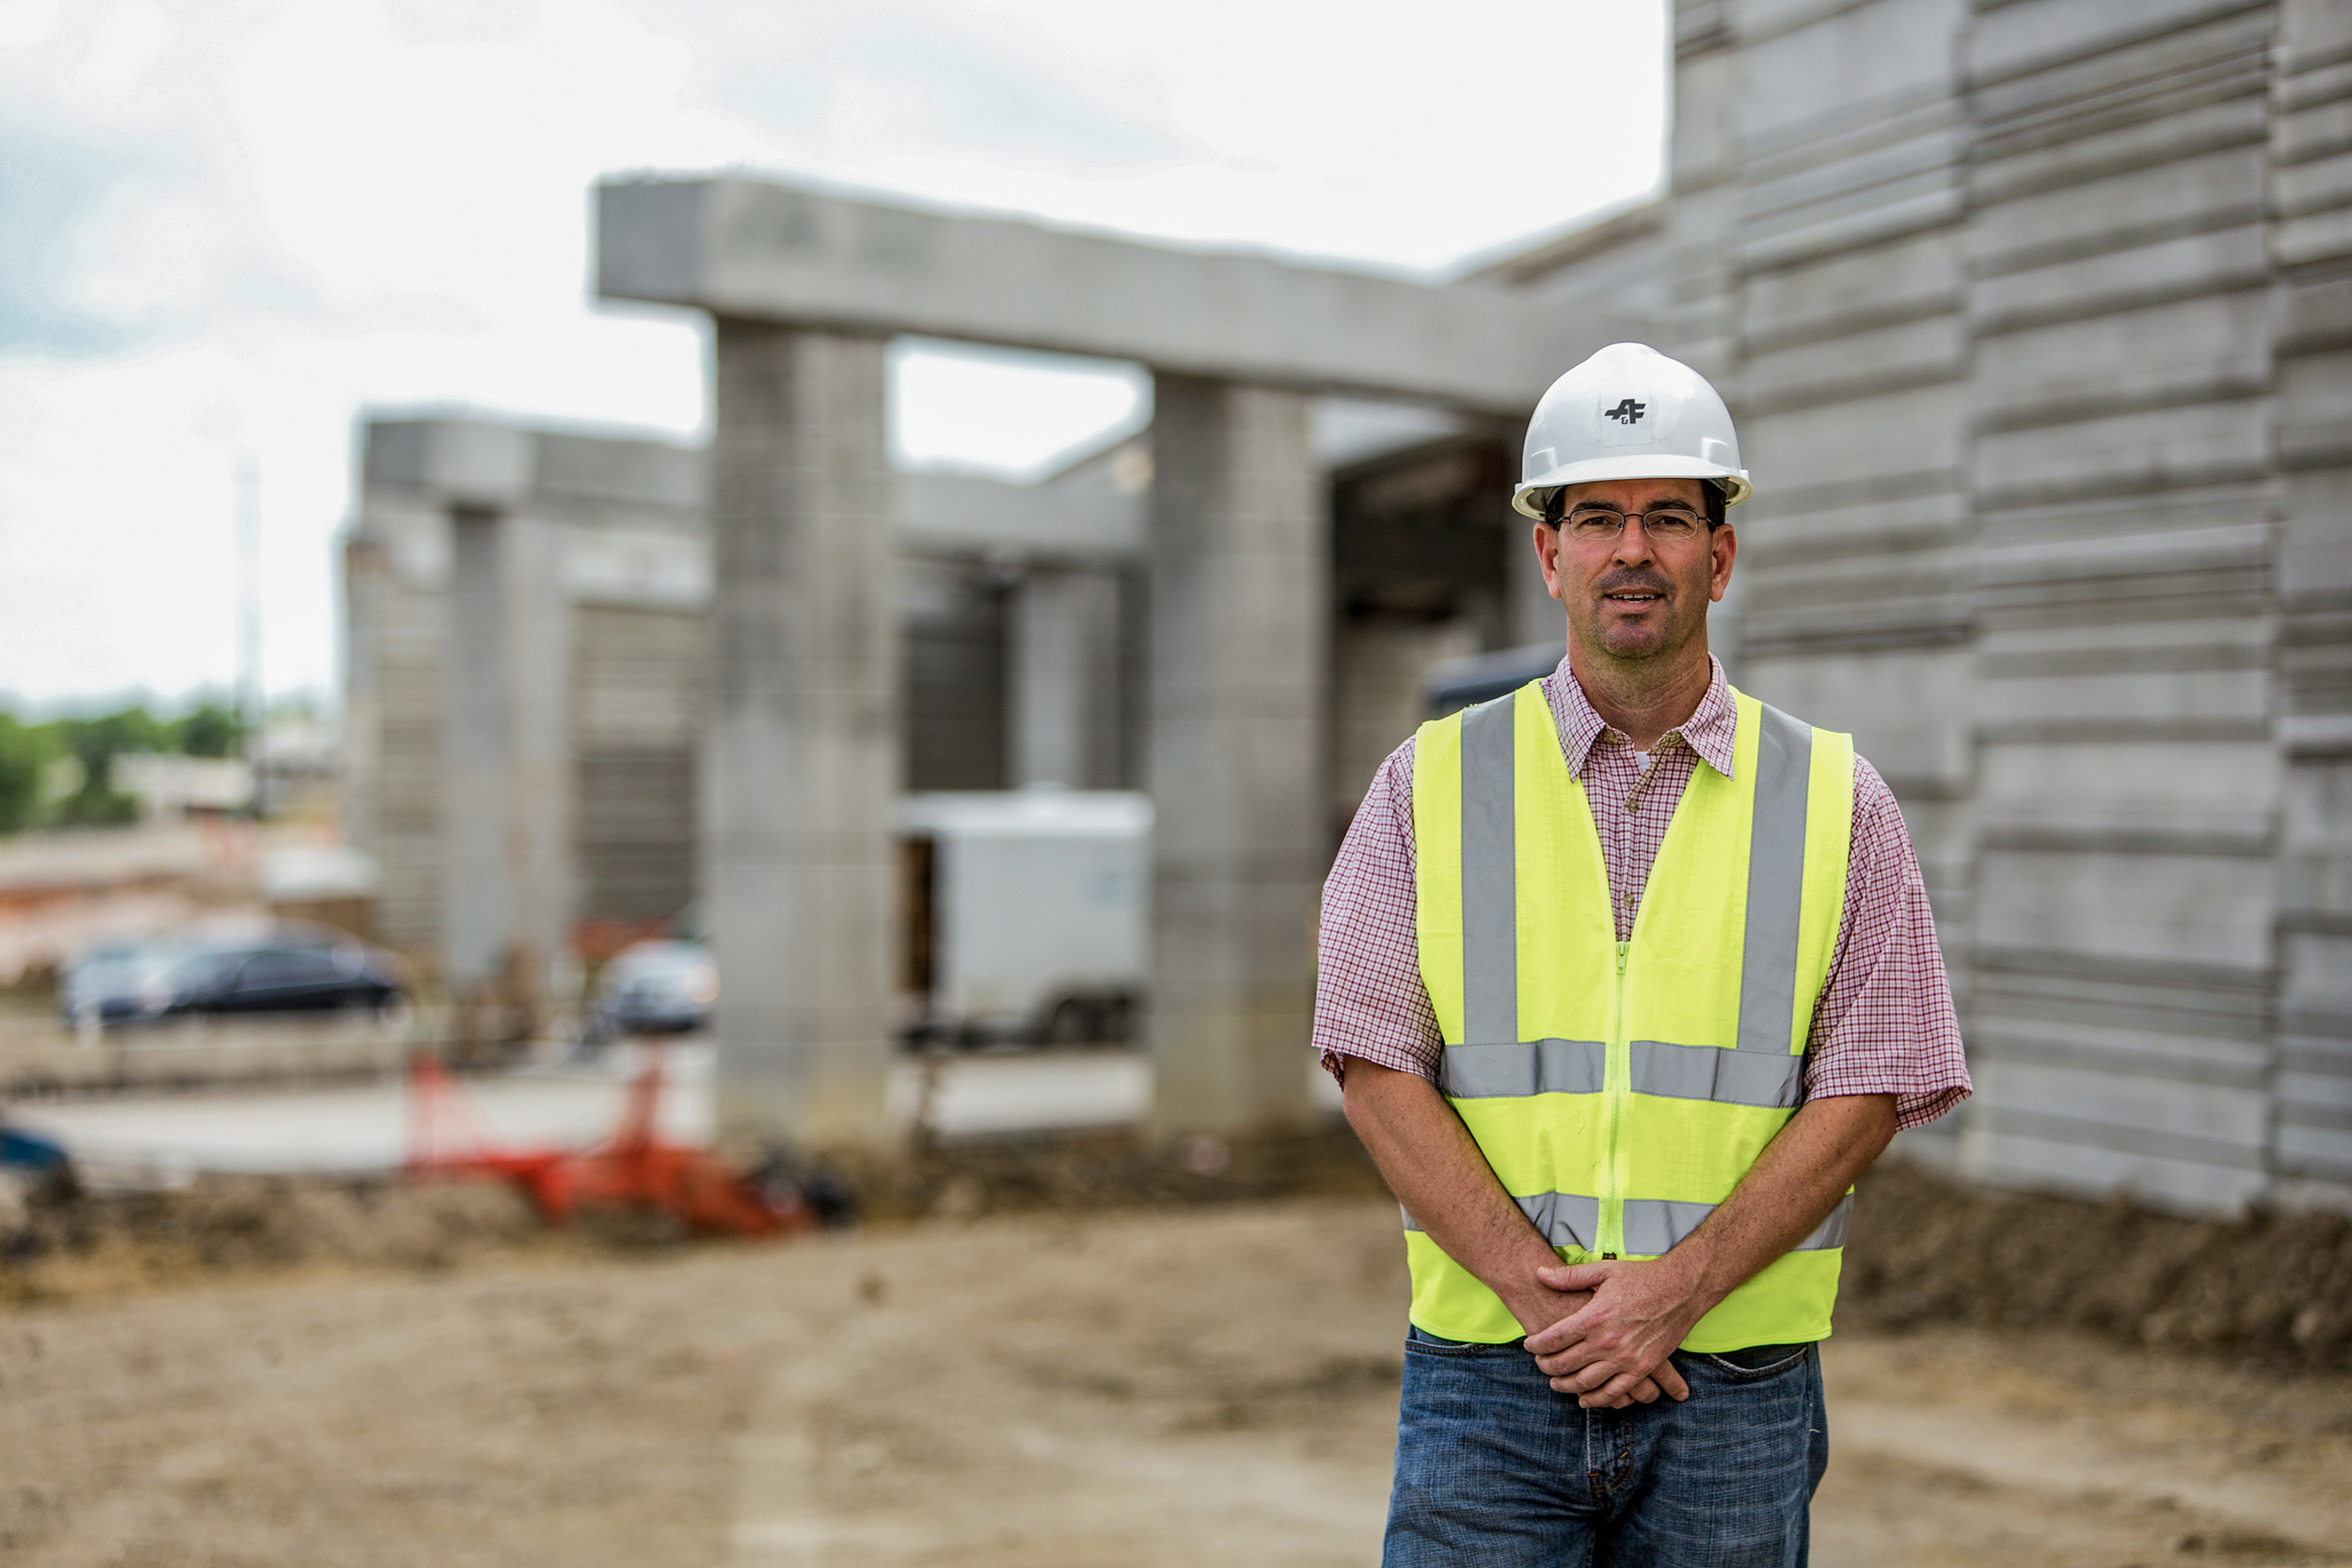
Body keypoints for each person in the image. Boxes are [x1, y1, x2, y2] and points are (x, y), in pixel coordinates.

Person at [1314, 341, 1972, 1566]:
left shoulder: (1837, 798)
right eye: (1599, 518)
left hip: (1730, 1384)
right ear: (1546, 553)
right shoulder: (1431, 783)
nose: (1633, 550)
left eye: (1669, 518)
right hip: (1493, 1378)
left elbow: (1876, 1080)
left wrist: (1676, 1290)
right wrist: (1535, 1292)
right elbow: (1370, 1060)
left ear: (1719, 557)